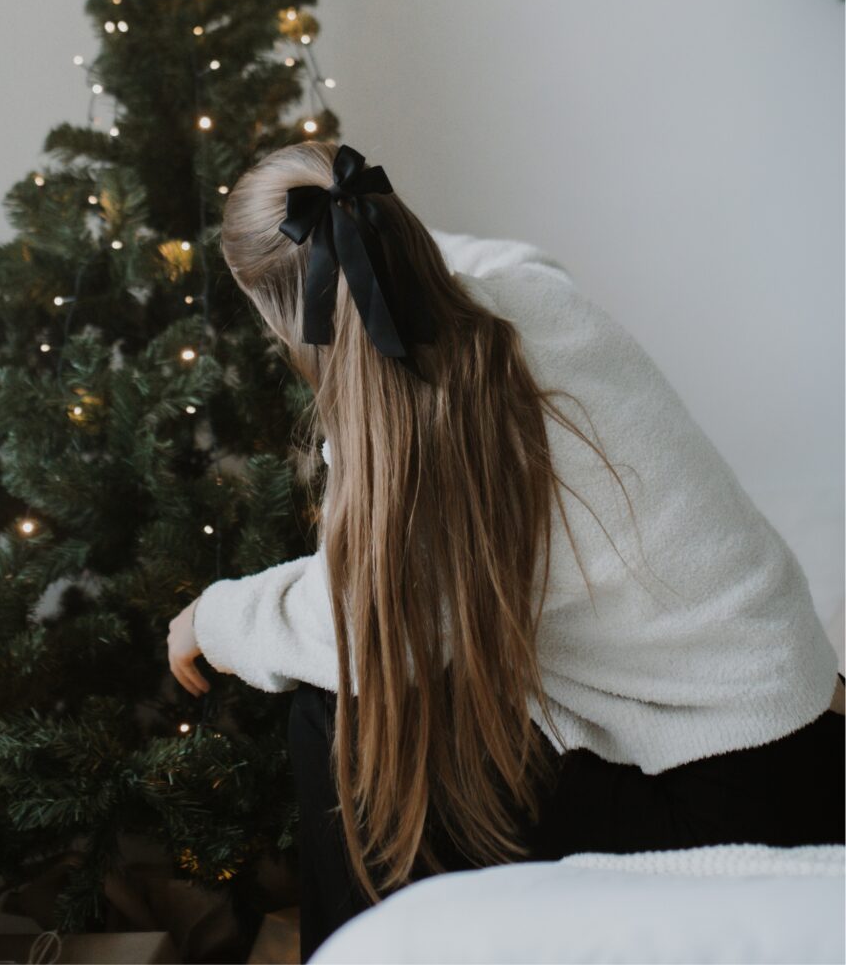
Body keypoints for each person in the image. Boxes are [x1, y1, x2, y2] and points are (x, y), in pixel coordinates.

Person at [166, 140, 845, 962]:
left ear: (277, 314)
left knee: (336, 710)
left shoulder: (420, 434)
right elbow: (504, 256)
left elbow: (359, 629)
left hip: (729, 799)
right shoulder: (536, 298)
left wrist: (214, 613)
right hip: (805, 734)